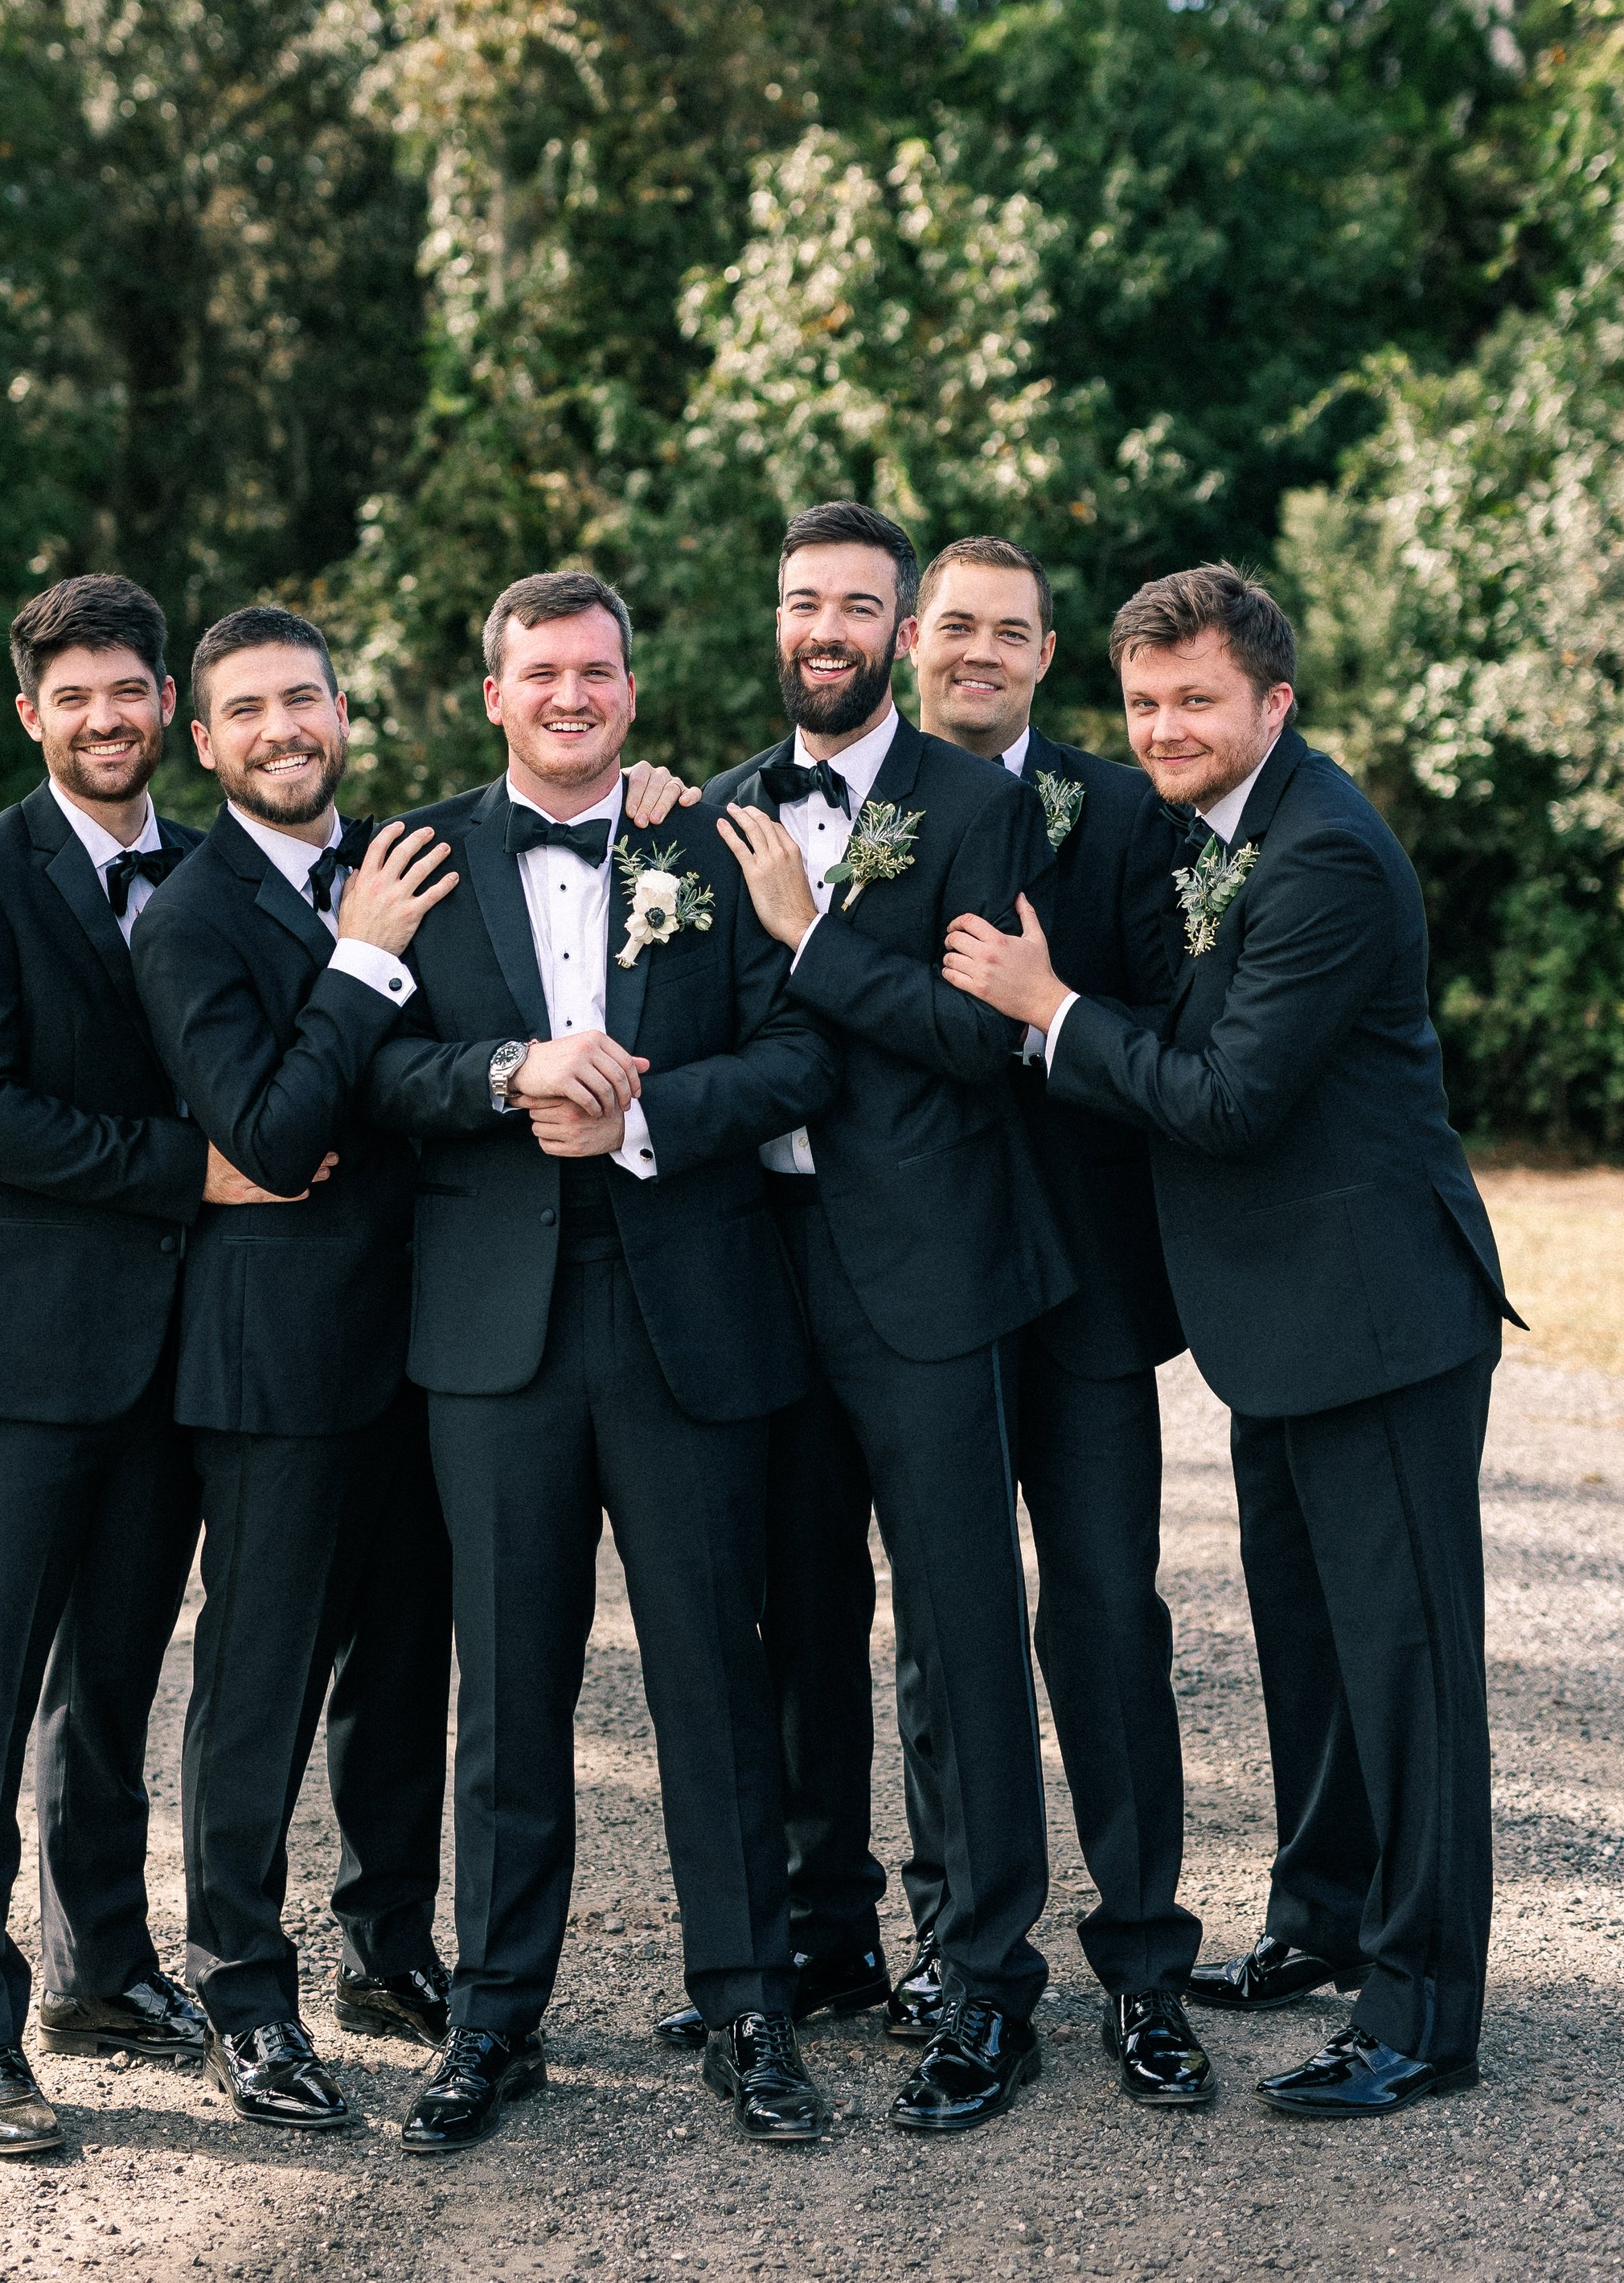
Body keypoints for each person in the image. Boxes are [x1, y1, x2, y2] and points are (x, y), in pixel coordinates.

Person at [943, 561, 1517, 2119]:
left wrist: (1049, 1008)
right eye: (1142, 703)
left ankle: (1421, 2014)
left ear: (1274, 701)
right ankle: (1323, 1918)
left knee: (1407, 1670)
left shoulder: (1323, 855)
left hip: (1379, 1322)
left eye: (1194, 699)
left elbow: (1230, 1099)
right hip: (1281, 1330)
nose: (1161, 729)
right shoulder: (1217, 834)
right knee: (1308, 1643)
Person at [367, 571, 838, 2155]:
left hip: (682, 1307)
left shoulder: (711, 845)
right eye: (541, 673)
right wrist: (510, 1073)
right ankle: (493, 2019)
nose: (570, 695)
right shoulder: (415, 856)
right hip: (492, 1328)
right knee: (508, 1685)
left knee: (713, 1670)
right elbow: (373, 1066)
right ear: (491, 695)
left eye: (596, 672)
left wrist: (641, 1116)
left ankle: (751, 2010)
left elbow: (797, 1052)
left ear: (632, 691)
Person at [0, 574, 276, 2161]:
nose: (105, 719)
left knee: (110, 1686)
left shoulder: (215, 870)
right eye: (74, 696)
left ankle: (99, 1970)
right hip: (8, 1356)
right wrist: (189, 1171)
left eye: (129, 690)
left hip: (168, 1360)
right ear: (30, 715)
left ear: (168, 704)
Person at [706, 503, 1075, 2137]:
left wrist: (811, 933)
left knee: (957, 1622)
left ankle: (985, 1977)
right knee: (794, 1617)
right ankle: (823, 1938)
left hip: (926, 1269)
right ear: (776, 620)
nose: (829, 630)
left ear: (904, 633)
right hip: (759, 1269)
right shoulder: (719, 813)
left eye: (861, 606)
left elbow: (977, 1039)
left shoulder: (978, 808)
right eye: (806, 602)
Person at [889, 535, 1212, 2109]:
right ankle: (966, 1960)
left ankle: (1146, 1966)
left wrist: (1042, 1012)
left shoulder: (1123, 814)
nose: (979, 651)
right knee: (944, 1633)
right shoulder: (851, 813)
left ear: (1042, 656)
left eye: (1008, 632)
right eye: (955, 625)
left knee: (1103, 1611)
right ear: (912, 640)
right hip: (920, 1282)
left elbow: (1171, 1025)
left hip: (1082, 1275)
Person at [129, 606, 458, 2133]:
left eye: (304, 698)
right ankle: (244, 1991)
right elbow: (264, 1132)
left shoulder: (408, 855)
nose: (283, 729)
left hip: (432, 1341)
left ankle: (389, 1948)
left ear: (342, 708)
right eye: (249, 709)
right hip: (272, 1359)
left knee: (404, 1671)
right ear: (205, 740)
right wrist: (363, 958)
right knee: (259, 1681)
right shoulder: (189, 917)